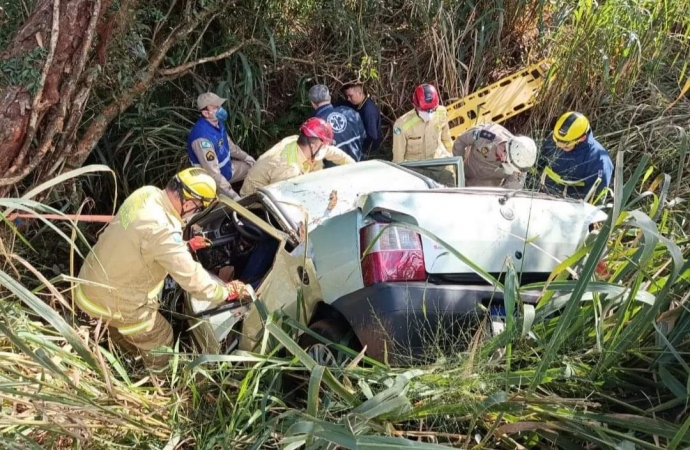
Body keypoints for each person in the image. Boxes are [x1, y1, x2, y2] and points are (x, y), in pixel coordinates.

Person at [75, 168, 249, 370]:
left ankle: (124, 359)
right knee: (162, 339)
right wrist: (226, 291)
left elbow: (144, 240)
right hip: (115, 301)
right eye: (198, 208)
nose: (196, 213)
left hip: (90, 281)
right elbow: (194, 281)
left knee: (124, 333)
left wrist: (186, 246)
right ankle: (158, 382)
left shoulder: (146, 194)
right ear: (190, 202)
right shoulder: (164, 230)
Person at [239, 117, 355, 196]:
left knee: (317, 162)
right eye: (324, 145)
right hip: (254, 202)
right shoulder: (289, 168)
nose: (326, 147)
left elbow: (334, 153)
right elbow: (279, 199)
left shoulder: (299, 141)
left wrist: (356, 168)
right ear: (314, 146)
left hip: (276, 184)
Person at [186, 92, 256, 199]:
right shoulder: (202, 138)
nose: (221, 109)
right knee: (226, 204)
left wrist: (246, 157)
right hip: (211, 182)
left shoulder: (217, 122)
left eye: (220, 106)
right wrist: (233, 195)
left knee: (254, 169)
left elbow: (230, 146)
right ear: (206, 113)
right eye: (216, 107)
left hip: (227, 169)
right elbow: (213, 173)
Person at [537, 111, 613, 199]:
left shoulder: (599, 160)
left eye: (565, 143)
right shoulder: (557, 139)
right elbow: (539, 164)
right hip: (543, 200)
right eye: (557, 140)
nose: (559, 145)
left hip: (573, 209)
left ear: (582, 138)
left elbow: (596, 199)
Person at [453, 123, 537, 189]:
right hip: (465, 168)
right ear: (504, 152)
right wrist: (458, 168)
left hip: (484, 189)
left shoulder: (520, 165)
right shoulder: (484, 135)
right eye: (507, 164)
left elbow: (510, 190)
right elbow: (461, 141)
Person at [392, 83, 453, 164]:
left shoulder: (441, 112)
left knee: (451, 175)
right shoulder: (401, 125)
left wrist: (452, 155)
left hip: (437, 160)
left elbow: (447, 139)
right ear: (415, 106)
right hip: (415, 166)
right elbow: (398, 156)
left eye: (432, 110)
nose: (429, 114)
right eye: (424, 111)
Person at [309, 84, 366, 165]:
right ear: (329, 98)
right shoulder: (350, 112)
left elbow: (312, 155)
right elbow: (363, 138)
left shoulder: (312, 126)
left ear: (312, 103)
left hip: (334, 174)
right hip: (357, 167)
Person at [337, 81, 382, 157]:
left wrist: (361, 151)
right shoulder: (357, 103)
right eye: (347, 96)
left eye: (350, 96)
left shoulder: (368, 111)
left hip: (368, 151)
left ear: (360, 92)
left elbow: (372, 136)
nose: (348, 99)